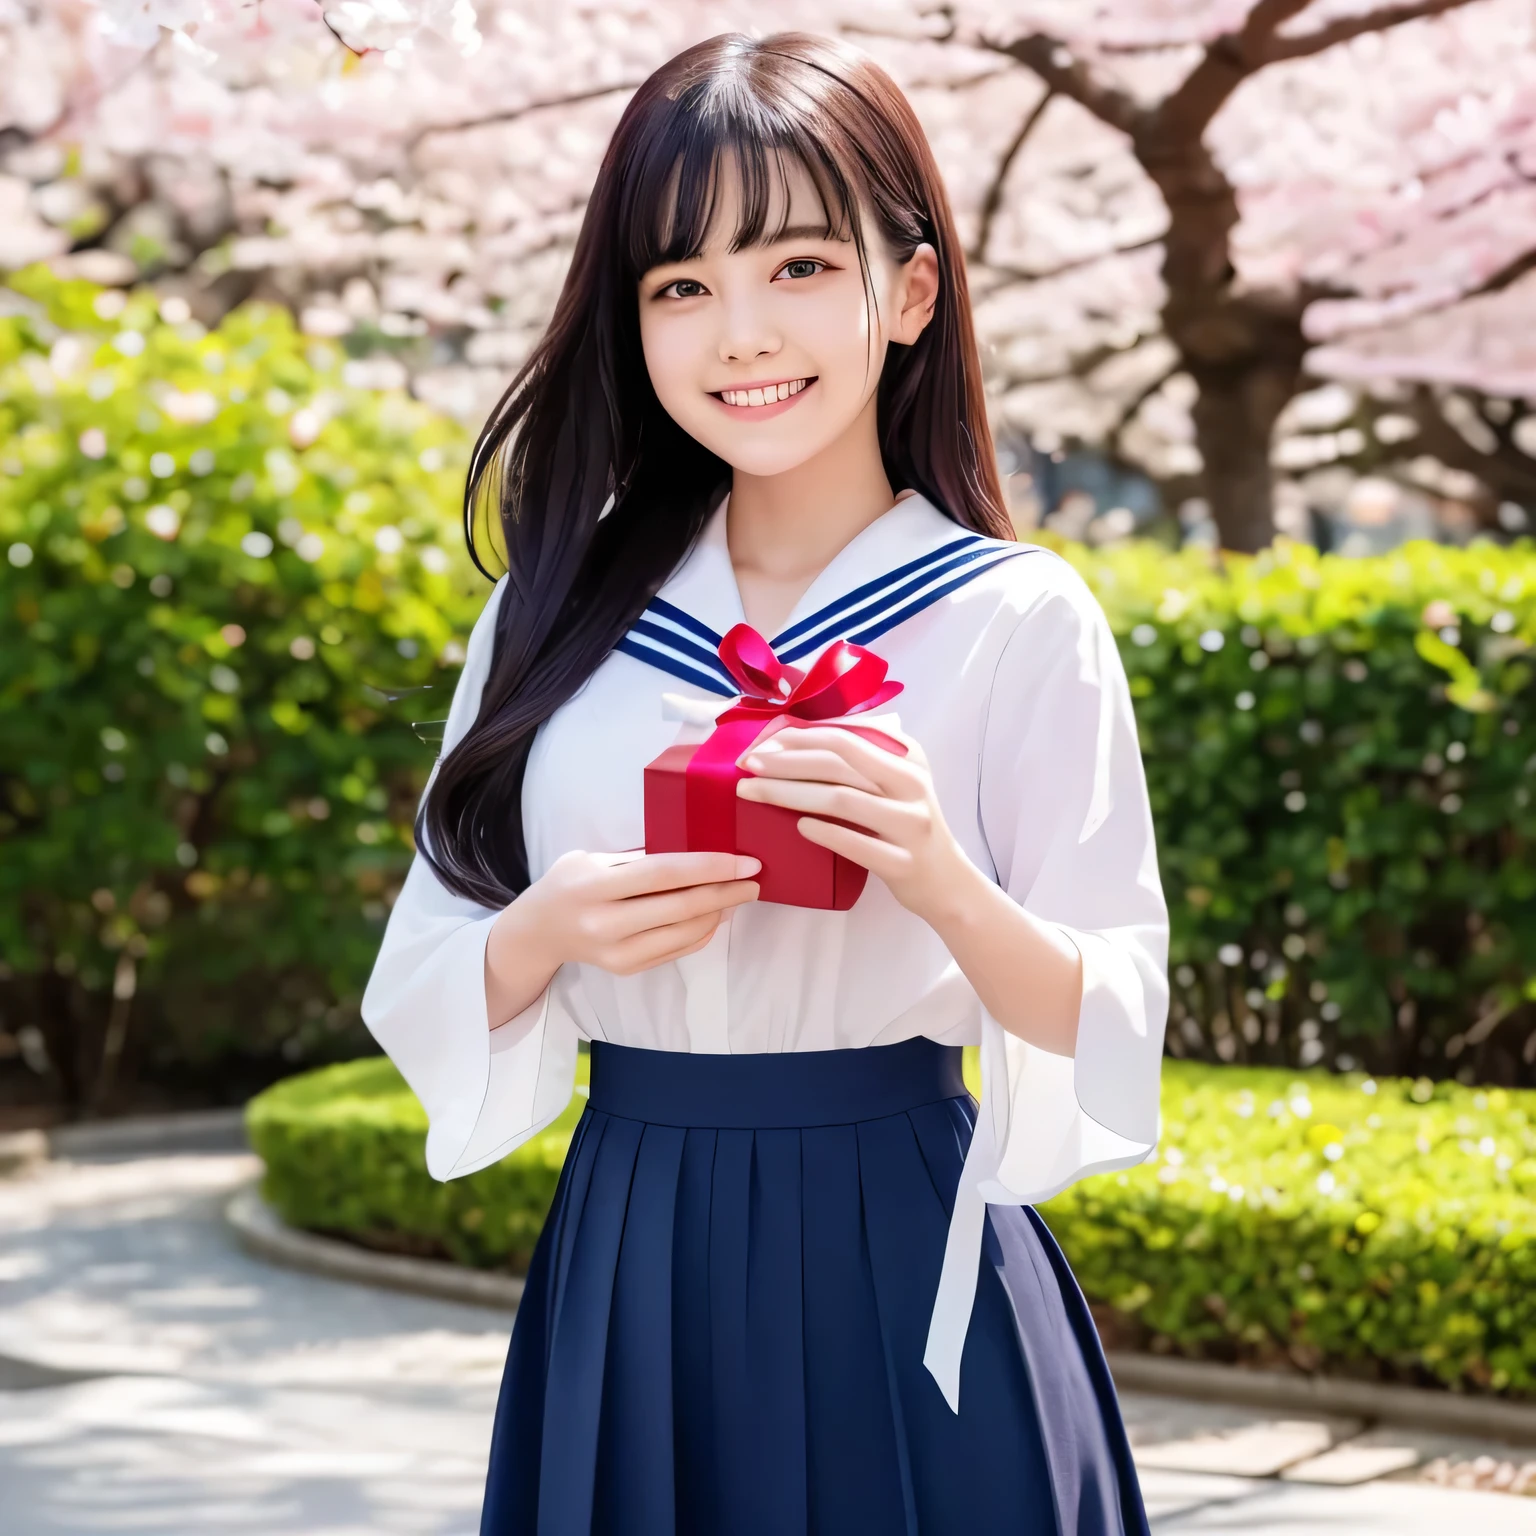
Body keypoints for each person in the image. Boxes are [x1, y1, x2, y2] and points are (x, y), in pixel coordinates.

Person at [361, 31, 1169, 1536]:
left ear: (912, 292)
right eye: (681, 286)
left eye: (797, 266)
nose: (741, 333)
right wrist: (552, 931)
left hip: (905, 1233)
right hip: (634, 1240)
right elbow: (423, 969)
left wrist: (938, 876)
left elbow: (1112, 1008)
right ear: (633, 321)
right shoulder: (556, 616)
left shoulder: (1013, 616)